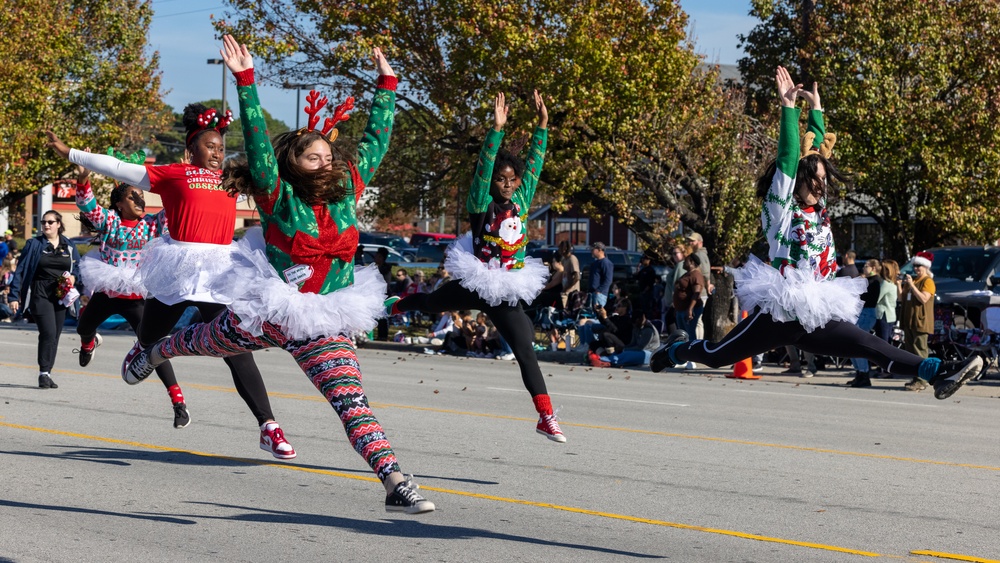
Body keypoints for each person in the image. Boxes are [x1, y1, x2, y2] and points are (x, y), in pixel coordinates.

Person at [122, 37, 433, 513]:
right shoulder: (277, 195)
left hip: (324, 318)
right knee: (202, 341)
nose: (327, 162)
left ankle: (393, 481)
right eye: (316, 158)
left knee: (352, 401)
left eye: (330, 156)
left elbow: (377, 141)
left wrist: (386, 85)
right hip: (270, 308)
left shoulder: (347, 190)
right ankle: (154, 351)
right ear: (293, 166)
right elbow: (256, 145)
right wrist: (245, 80)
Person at [649, 66, 981, 400]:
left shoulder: (819, 210)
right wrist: (789, 109)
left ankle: (939, 372)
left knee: (871, 345)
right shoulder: (780, 209)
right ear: (798, 181)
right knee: (717, 355)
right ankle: (676, 350)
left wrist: (817, 112)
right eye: (815, 180)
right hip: (782, 310)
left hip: (815, 311)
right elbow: (790, 157)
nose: (822, 187)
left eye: (824, 180)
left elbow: (816, 150)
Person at [46, 99, 294, 459]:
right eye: (210, 146)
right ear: (190, 149)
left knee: (236, 349)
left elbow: (272, 170)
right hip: (178, 268)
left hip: (219, 272)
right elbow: (118, 166)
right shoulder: (175, 173)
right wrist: (73, 154)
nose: (217, 153)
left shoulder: (233, 179)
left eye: (222, 148)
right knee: (150, 335)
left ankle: (268, 426)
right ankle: (143, 349)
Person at [387, 89, 566, 442]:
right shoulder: (481, 200)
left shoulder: (522, 197)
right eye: (503, 180)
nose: (509, 185)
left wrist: (543, 125)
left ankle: (545, 416)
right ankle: (396, 306)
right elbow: (485, 168)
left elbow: (535, 163)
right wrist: (496, 130)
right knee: (432, 302)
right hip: (478, 280)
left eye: (513, 180)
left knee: (526, 351)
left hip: (508, 287)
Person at [72, 158, 191, 427]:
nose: (140, 200)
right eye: (133, 196)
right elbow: (88, 207)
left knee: (154, 348)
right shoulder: (110, 221)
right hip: (108, 291)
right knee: (83, 327)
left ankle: (179, 403)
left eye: (141, 195)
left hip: (137, 298)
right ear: (119, 203)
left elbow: (176, 207)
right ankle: (89, 344)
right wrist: (83, 179)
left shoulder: (151, 224)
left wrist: (182, 178)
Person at [8, 211, 81, 389]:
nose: (46, 225)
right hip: (40, 292)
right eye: (44, 222)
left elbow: (79, 268)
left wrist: (73, 277)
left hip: (61, 294)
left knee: (55, 335)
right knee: (48, 332)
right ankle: (43, 373)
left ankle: (47, 373)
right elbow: (20, 270)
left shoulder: (69, 246)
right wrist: (14, 295)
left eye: (50, 222)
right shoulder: (34, 244)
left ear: (58, 224)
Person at [901, 251, 936, 392]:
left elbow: (923, 299)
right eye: (915, 266)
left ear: (926, 267)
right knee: (911, 351)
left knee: (920, 350)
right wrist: (900, 285)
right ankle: (916, 377)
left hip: (920, 321)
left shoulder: (928, 282)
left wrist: (912, 285)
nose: (916, 269)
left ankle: (922, 380)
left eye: (919, 266)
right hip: (909, 320)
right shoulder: (914, 280)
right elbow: (901, 298)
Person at [846, 259, 882, 387]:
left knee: (858, 343)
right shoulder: (867, 281)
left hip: (867, 312)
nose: (864, 268)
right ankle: (859, 372)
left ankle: (864, 373)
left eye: (866, 266)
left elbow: (866, 297)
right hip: (861, 312)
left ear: (873, 268)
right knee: (851, 343)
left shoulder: (875, 281)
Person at [592, 311, 661, 368]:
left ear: (641, 319)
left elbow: (641, 348)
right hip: (638, 350)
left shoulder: (649, 330)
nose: (634, 325)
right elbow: (633, 343)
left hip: (650, 353)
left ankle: (609, 361)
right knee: (622, 352)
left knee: (628, 354)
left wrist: (626, 350)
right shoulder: (636, 327)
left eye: (636, 322)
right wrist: (623, 348)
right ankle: (608, 359)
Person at [673, 253, 705, 339]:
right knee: (682, 334)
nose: (683, 262)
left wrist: (690, 309)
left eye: (685, 260)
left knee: (689, 333)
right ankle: (684, 350)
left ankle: (691, 350)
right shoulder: (687, 274)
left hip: (689, 309)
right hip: (681, 309)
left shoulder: (696, 275)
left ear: (691, 262)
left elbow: (696, 293)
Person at [874, 259, 901, 348]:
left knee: (882, 342)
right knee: (887, 341)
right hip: (891, 315)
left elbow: (876, 299)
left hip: (883, 315)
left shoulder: (885, 284)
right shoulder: (893, 284)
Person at [589, 242, 614, 308]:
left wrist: (599, 291)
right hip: (592, 294)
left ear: (599, 250)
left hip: (600, 295)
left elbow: (608, 280)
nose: (591, 251)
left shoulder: (605, 263)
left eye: (593, 249)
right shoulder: (595, 263)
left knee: (599, 314)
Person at [558, 240, 581, 307]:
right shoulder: (564, 259)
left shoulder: (572, 259)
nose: (559, 250)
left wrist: (568, 288)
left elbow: (577, 276)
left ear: (564, 249)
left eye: (560, 248)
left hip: (571, 293)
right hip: (564, 291)